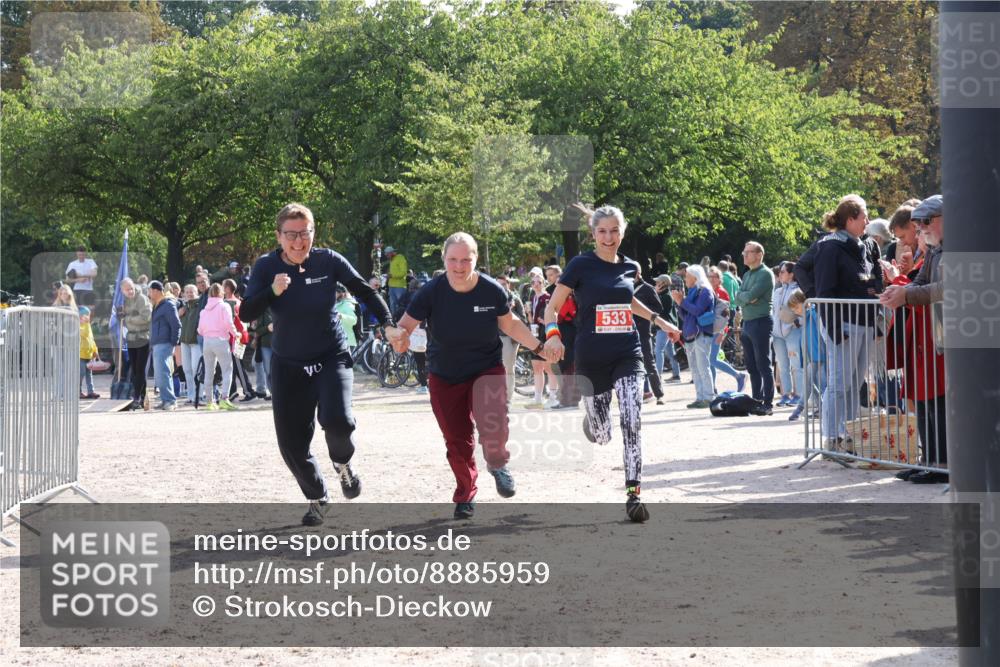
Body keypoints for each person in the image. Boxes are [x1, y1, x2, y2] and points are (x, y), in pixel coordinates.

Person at [240, 203, 401, 526]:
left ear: (314, 233)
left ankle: (343, 464)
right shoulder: (266, 266)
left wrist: (387, 323)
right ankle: (317, 495)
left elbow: (364, 291)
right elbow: (246, 313)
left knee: (339, 421)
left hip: (330, 355)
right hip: (288, 363)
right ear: (279, 236)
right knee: (291, 444)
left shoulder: (328, 261)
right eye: (291, 235)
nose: (299, 241)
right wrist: (272, 291)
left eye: (305, 233)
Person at [392, 232, 545, 520]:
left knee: (494, 421)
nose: (459, 266)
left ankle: (497, 464)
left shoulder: (491, 290)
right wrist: (399, 338)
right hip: (444, 374)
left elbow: (510, 324)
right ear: (444, 259)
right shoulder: (430, 292)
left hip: (485, 369)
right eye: (453, 259)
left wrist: (539, 347)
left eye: (466, 260)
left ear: (475, 260)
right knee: (457, 439)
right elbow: (405, 326)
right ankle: (465, 494)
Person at [544, 206, 681, 523]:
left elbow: (626, 300)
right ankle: (592, 423)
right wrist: (553, 336)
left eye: (614, 230)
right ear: (593, 234)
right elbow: (552, 308)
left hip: (627, 352)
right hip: (592, 356)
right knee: (603, 435)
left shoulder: (630, 266)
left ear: (623, 231)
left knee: (632, 419)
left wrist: (660, 321)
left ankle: (634, 495)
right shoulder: (580, 265)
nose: (609, 237)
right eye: (603, 231)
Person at [880, 194, 947, 483]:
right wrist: (903, 291)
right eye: (919, 224)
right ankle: (930, 460)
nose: (921, 229)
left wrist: (905, 294)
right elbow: (923, 282)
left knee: (938, 402)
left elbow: (947, 288)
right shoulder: (934, 249)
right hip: (935, 333)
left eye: (926, 222)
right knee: (924, 401)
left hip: (947, 334)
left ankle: (942, 463)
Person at [813, 194, 879, 453]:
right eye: (864, 217)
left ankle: (849, 434)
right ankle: (831, 438)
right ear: (850, 219)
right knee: (839, 384)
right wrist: (834, 329)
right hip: (844, 325)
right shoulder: (829, 247)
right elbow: (824, 291)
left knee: (855, 383)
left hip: (864, 323)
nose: (867, 221)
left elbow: (871, 279)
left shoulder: (865, 245)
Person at [735, 241, 775, 414]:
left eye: (748, 252)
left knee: (763, 364)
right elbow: (737, 297)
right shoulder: (746, 275)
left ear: (759, 255)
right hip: (748, 323)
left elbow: (750, 295)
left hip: (761, 322)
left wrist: (746, 297)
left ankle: (768, 403)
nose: (744, 255)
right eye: (744, 252)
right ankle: (756, 400)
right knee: (751, 366)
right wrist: (747, 298)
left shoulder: (765, 274)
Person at [673, 265, 715, 408]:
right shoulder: (692, 292)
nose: (685, 279)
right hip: (690, 333)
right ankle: (699, 398)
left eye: (687, 276)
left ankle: (708, 398)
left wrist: (682, 301)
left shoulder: (705, 291)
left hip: (701, 333)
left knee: (703, 367)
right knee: (695, 369)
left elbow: (697, 311)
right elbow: (685, 316)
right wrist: (679, 303)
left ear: (695, 277)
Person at [198, 283, 239, 412]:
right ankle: (224, 399)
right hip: (220, 340)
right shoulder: (224, 306)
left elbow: (200, 330)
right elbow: (229, 323)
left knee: (209, 372)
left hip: (207, 342)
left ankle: (209, 402)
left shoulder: (204, 310)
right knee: (227, 370)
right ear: (221, 293)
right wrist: (235, 334)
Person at [707, 266, 745, 394]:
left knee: (712, 360)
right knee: (710, 361)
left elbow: (726, 316)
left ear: (719, 279)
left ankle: (738, 375)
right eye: (710, 276)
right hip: (710, 330)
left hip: (718, 331)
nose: (712, 279)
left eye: (714, 277)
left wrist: (722, 333)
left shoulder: (722, 292)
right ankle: (712, 388)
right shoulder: (709, 290)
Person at [771, 261, 803, 407]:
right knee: (783, 366)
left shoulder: (798, 291)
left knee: (796, 365)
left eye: (783, 271)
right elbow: (774, 312)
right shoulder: (777, 291)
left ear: (791, 274)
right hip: (777, 335)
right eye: (780, 272)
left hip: (792, 333)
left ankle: (799, 395)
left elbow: (803, 311)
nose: (780, 274)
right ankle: (785, 394)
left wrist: (796, 323)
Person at [526, 273, 559, 408]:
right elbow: (531, 320)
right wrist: (529, 312)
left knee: (548, 367)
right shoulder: (533, 298)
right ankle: (538, 398)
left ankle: (553, 397)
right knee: (536, 367)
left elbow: (555, 317)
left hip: (546, 335)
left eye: (539, 282)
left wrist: (545, 322)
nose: (536, 285)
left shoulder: (547, 298)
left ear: (544, 283)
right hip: (535, 335)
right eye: (533, 282)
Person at [632, 266, 664, 405]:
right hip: (627, 331)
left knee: (649, 363)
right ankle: (637, 394)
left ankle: (659, 395)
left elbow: (658, 308)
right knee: (630, 364)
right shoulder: (624, 287)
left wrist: (642, 312)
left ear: (638, 273)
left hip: (643, 330)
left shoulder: (647, 288)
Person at [148, 281, 181, 411]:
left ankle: (170, 401)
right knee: (160, 374)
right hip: (158, 343)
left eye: (150, 291)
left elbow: (176, 324)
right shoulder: (158, 305)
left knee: (163, 372)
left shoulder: (167, 304)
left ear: (156, 291)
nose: (149, 294)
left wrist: (173, 343)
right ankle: (165, 399)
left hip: (165, 343)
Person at [120, 277, 151, 410]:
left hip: (143, 336)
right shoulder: (125, 301)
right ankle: (142, 397)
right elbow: (124, 317)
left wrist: (128, 318)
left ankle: (137, 396)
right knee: (135, 369)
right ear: (122, 291)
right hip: (131, 337)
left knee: (140, 369)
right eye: (127, 289)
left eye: (131, 288)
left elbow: (146, 317)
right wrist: (121, 316)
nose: (130, 291)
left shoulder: (141, 298)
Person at [496, 274, 526, 403]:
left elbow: (523, 319)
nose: (501, 287)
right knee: (500, 367)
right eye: (498, 284)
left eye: (503, 284)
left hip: (511, 337)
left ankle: (507, 397)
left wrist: (510, 311)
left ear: (508, 284)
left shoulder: (515, 298)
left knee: (508, 367)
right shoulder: (493, 298)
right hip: (497, 336)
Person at [652, 274, 682, 382]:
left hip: (664, 327)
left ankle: (658, 376)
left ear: (663, 284)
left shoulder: (666, 296)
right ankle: (676, 375)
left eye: (658, 282)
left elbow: (658, 310)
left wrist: (655, 293)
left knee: (658, 350)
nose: (656, 284)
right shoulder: (665, 294)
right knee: (670, 352)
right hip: (667, 327)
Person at [178, 284, 204, 405]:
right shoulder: (184, 307)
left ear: (196, 292)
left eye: (191, 291)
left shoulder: (200, 305)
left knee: (195, 369)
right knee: (187, 369)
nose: (189, 294)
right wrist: (179, 314)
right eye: (187, 292)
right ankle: (191, 396)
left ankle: (199, 395)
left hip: (196, 342)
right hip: (184, 342)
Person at [79, 306, 100, 399]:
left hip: (88, 355)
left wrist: (95, 350)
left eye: (88, 315)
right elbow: (85, 334)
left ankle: (91, 391)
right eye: (85, 316)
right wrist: (87, 324)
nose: (87, 317)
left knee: (89, 374)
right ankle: (78, 391)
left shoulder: (88, 326)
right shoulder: (78, 327)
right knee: (81, 374)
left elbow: (91, 339)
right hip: (80, 355)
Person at [385, 246, 408, 315]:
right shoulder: (392, 260)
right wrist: (389, 275)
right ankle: (394, 319)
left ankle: (402, 319)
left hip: (400, 286)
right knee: (393, 306)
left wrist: (392, 275)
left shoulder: (400, 258)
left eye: (387, 254)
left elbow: (403, 273)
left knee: (401, 305)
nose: (386, 256)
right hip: (391, 286)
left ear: (392, 253)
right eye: (386, 254)